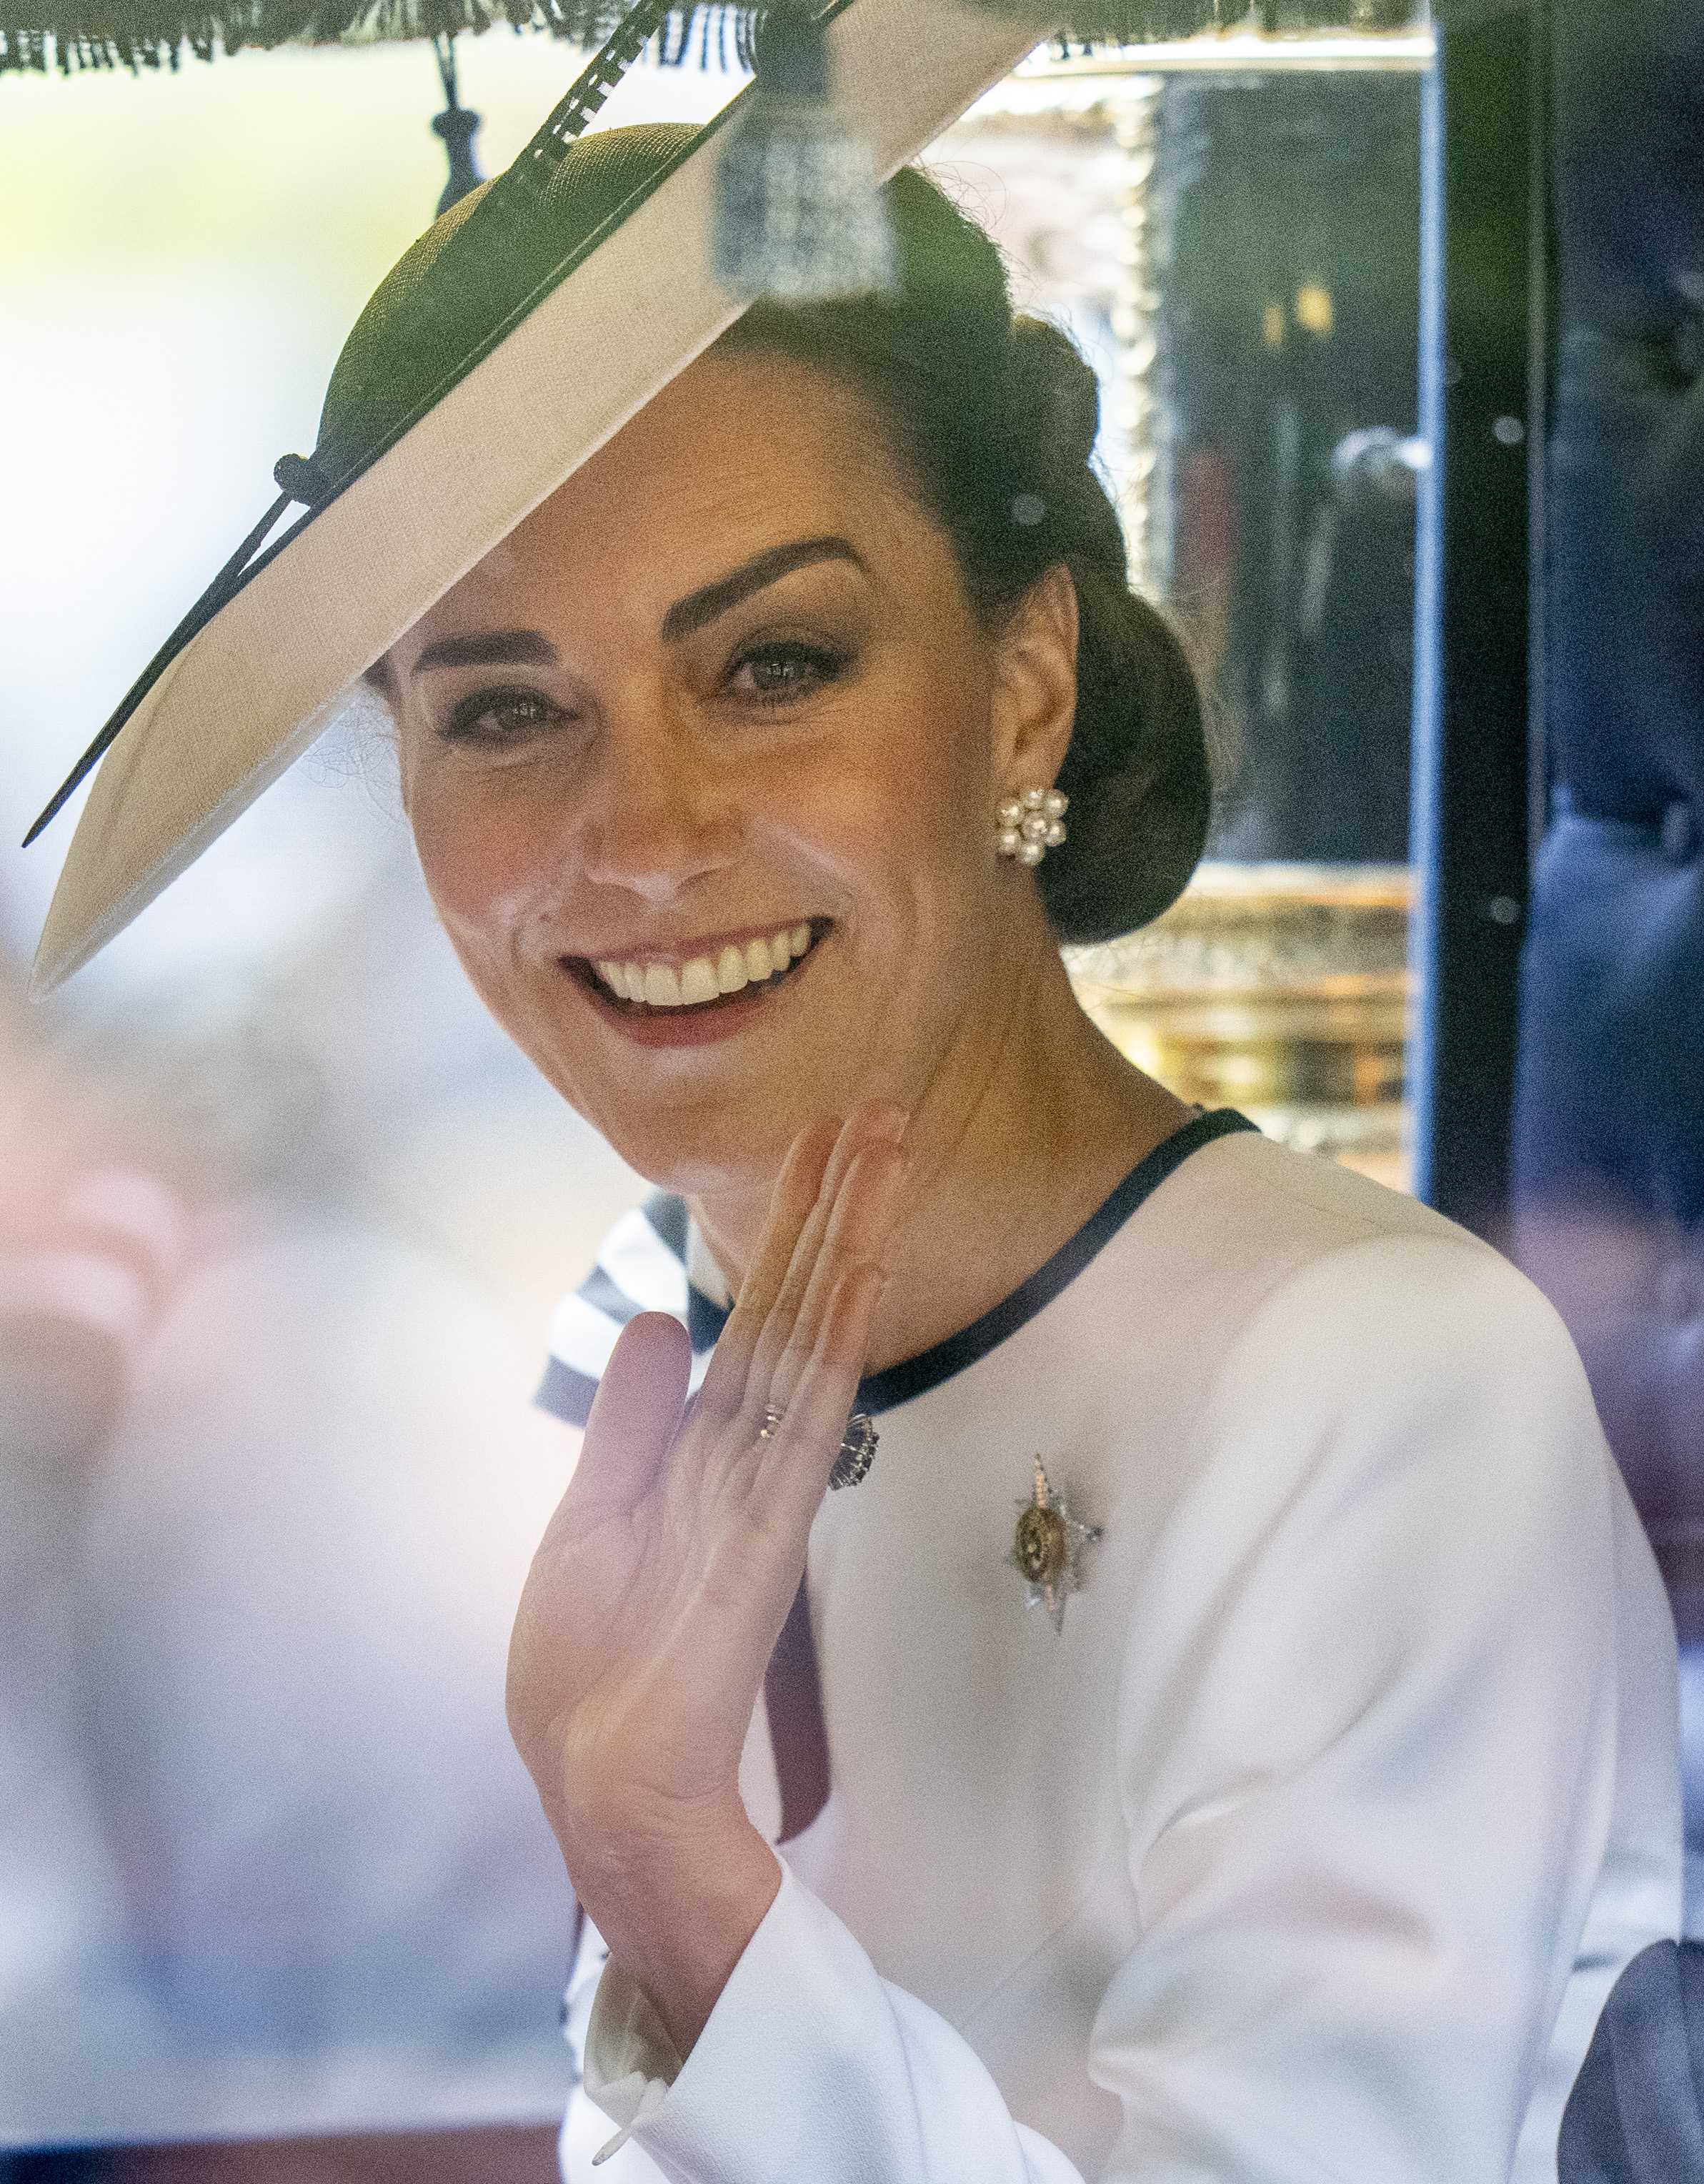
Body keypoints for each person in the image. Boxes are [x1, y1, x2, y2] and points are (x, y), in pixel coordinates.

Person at [29, 46, 1681, 2184]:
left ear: (1022, 684)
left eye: (775, 665)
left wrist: (676, 1882)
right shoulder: (633, 1347)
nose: (639, 836)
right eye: (507, 710)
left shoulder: (1370, 1376)